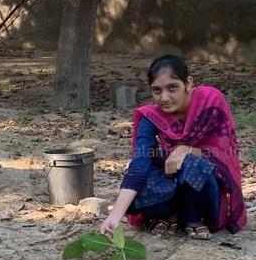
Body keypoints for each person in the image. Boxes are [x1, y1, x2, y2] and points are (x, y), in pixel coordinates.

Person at [100, 55, 247, 239]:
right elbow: (139, 166)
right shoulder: (150, 116)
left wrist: (187, 150)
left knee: (191, 164)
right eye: (157, 90)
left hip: (205, 188)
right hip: (169, 183)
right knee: (136, 181)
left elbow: (225, 154)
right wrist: (115, 216)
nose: (164, 98)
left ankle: (193, 217)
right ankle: (171, 214)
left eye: (172, 88)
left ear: (188, 83)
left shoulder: (210, 102)